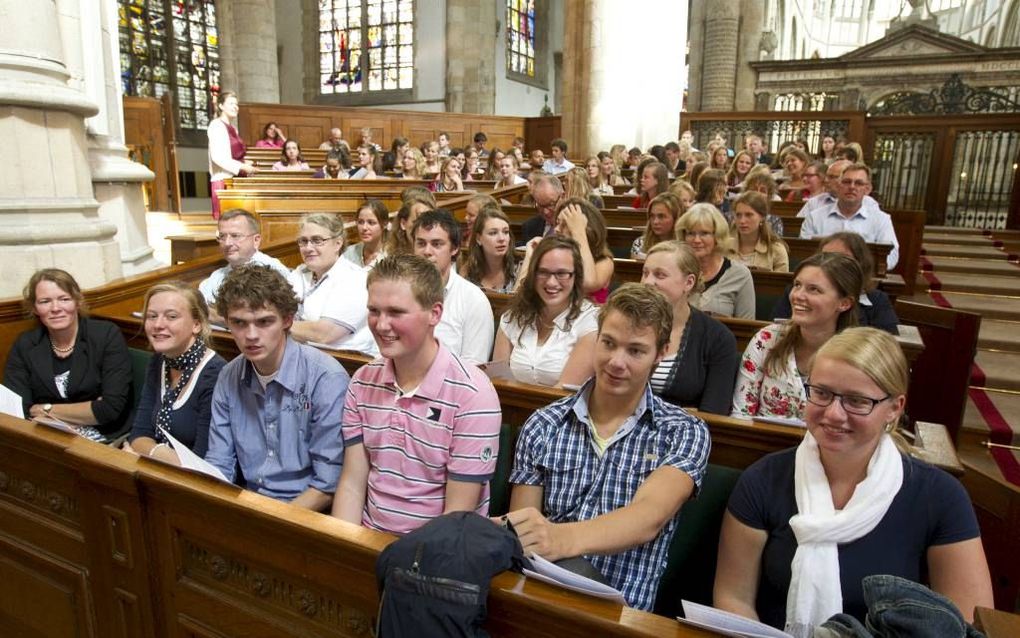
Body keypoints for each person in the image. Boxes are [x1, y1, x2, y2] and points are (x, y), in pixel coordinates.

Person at [715, 327, 994, 631]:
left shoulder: (939, 496)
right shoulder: (763, 480)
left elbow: (965, 623)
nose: (833, 413)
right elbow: (734, 598)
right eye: (821, 393)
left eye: (857, 401)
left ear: (894, 408)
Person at [504, 283, 711, 611]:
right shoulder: (544, 423)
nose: (616, 362)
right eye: (609, 343)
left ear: (661, 353)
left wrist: (559, 538)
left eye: (635, 351)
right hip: (541, 603)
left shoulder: (683, 431)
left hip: (620, 618)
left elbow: (648, 518)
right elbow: (524, 530)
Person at [332, 254, 502, 535]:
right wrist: (344, 550)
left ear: (434, 314)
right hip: (367, 541)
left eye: (396, 313)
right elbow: (352, 483)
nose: (381, 325)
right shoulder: (363, 381)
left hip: (435, 555)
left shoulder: (473, 394)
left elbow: (457, 516)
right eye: (374, 311)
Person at [206, 265, 348, 509]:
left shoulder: (325, 377)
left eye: (264, 322)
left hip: (306, 512)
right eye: (239, 323)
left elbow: (326, 486)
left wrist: (272, 524)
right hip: (248, 502)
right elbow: (220, 464)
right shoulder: (229, 375)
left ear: (287, 320)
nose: (251, 335)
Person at [3, 269, 132, 442]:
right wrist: (87, 409)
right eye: (45, 301)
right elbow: (19, 409)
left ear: (77, 302)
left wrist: (44, 409)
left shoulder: (106, 335)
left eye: (64, 299)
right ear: (35, 308)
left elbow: (109, 408)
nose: (55, 308)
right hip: (46, 436)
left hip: (105, 437)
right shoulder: (25, 344)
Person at [731, 252, 863, 421]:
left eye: (814, 289)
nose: (798, 296)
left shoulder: (860, 356)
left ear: (844, 303)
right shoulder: (767, 339)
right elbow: (741, 414)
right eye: (797, 285)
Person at [124, 283, 226, 462]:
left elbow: (201, 460)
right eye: (152, 316)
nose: (158, 324)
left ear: (197, 324)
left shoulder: (216, 374)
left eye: (171, 317)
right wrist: (156, 454)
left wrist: (151, 453)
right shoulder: (158, 361)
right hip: (160, 472)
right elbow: (139, 434)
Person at [641, 241, 738, 414]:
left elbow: (713, 412)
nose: (648, 282)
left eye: (660, 275)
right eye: (645, 273)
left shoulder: (718, 338)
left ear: (689, 282)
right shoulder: (628, 323)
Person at [495, 236, 598, 387]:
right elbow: (499, 382)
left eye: (561, 273)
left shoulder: (590, 321)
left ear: (576, 276)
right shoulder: (512, 317)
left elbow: (563, 395)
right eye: (543, 272)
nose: (551, 282)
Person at [773, 232, 900, 334]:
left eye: (841, 258)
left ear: (860, 264)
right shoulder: (796, 292)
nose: (831, 263)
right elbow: (778, 327)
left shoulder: (877, 299)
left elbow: (887, 344)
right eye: (825, 256)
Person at [287, 214, 377, 355]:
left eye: (317, 240)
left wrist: (274, 325)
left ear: (338, 243)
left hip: (347, 364)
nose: (308, 247)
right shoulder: (299, 273)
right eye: (303, 241)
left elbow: (324, 334)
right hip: (301, 356)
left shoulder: (355, 278)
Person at [412, 210, 494, 365]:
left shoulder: (473, 300)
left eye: (437, 244)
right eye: (421, 243)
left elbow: (473, 367)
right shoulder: (401, 293)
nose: (427, 252)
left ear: (455, 248)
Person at [800, 163, 900, 271]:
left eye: (858, 183)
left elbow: (891, 256)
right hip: (822, 276)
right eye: (847, 182)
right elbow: (804, 251)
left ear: (867, 189)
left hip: (863, 279)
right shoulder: (815, 217)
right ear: (838, 186)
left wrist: (860, 269)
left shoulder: (881, 220)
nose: (852, 187)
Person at [198, 209, 291, 323]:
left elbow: (260, 320)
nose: (227, 243)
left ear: (256, 240)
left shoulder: (273, 271)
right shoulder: (217, 276)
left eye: (235, 236)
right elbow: (198, 308)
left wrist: (215, 315)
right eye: (222, 236)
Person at [524, 198, 613, 304]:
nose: (556, 229)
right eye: (557, 223)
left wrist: (578, 231)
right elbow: (524, 289)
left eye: (565, 224)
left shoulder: (604, 261)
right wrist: (531, 257)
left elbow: (587, 282)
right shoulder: (553, 257)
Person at [677, 204, 756, 319]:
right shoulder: (675, 270)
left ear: (717, 237)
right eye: (691, 233)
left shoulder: (740, 275)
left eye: (704, 233)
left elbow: (747, 327)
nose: (696, 240)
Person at [207, 91, 255, 218]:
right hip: (224, 180)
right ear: (221, 106)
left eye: (236, 104)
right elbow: (217, 157)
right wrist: (241, 166)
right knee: (227, 223)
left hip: (236, 179)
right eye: (231, 103)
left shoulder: (233, 129)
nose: (235, 107)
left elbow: (233, 154)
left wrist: (245, 163)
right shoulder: (216, 125)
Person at [726, 191, 789, 272]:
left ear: (762, 217)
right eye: (738, 215)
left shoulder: (776, 250)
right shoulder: (724, 247)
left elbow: (781, 283)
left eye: (749, 215)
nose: (742, 221)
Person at [460, 207, 517, 293]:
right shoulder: (467, 273)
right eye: (493, 233)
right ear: (479, 238)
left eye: (505, 232)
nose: (501, 239)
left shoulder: (518, 269)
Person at [631, 192, 683, 260]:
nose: (655, 222)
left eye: (661, 216)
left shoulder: (686, 245)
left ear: (676, 218)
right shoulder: (640, 243)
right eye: (652, 216)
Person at [342, 199, 389, 271]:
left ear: (384, 224)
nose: (364, 228)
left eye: (371, 223)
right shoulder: (348, 253)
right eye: (360, 222)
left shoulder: (391, 255)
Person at [520, 174, 563, 244]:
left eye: (550, 205)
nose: (546, 212)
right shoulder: (529, 227)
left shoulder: (575, 225)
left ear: (562, 196)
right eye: (540, 206)